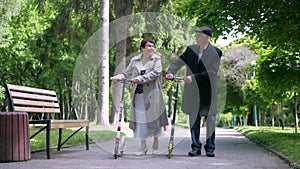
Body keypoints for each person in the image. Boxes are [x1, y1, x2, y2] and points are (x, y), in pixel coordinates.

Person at [166, 26, 222, 157]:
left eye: (199, 36)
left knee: (210, 121)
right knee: (194, 120)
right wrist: (170, 72)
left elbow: (212, 72)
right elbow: (178, 62)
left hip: (208, 92)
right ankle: (195, 147)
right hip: (193, 93)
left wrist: (194, 77)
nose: (196, 38)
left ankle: (210, 148)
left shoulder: (216, 52)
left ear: (207, 37)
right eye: (196, 35)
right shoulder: (191, 50)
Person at [111, 37, 168, 156]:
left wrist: (140, 78)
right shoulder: (135, 60)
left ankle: (155, 143)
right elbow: (126, 73)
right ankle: (143, 147)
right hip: (139, 94)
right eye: (149, 46)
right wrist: (118, 77)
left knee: (154, 119)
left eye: (153, 46)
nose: (152, 48)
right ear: (142, 48)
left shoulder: (156, 59)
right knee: (141, 120)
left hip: (152, 94)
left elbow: (156, 73)